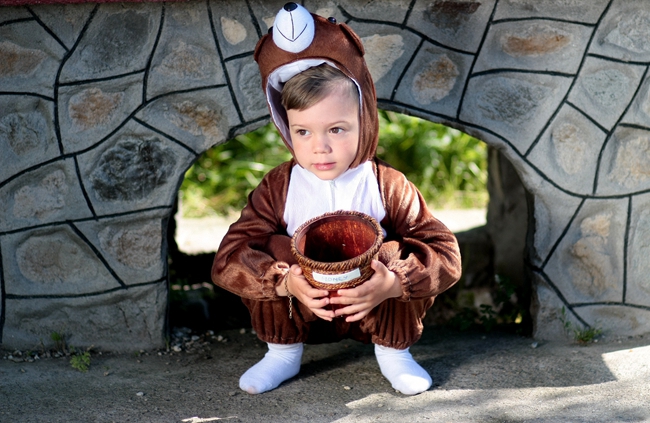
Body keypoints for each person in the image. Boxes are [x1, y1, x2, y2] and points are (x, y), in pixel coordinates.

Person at [211, 3, 461, 396]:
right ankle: (282, 353)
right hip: (302, 306)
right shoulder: (280, 186)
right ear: (284, 125)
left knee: (393, 250)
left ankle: (395, 355)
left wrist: (394, 284)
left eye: (337, 129)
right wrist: (283, 284)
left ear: (364, 119)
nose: (320, 148)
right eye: (304, 132)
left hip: (372, 304)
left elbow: (445, 252)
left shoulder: (386, 183)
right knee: (272, 247)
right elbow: (228, 256)